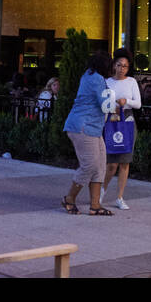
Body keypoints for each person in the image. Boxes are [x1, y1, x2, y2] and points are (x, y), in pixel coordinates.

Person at [61, 51, 114, 216]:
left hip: (92, 127)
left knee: (99, 166)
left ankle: (95, 205)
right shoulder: (97, 79)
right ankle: (69, 198)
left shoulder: (88, 76)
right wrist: (117, 103)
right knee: (90, 165)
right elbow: (105, 105)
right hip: (84, 127)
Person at [102, 53, 141, 210]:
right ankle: (101, 191)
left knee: (125, 161)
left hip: (128, 120)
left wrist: (127, 102)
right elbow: (103, 103)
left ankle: (119, 197)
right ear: (114, 65)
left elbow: (138, 103)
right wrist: (113, 107)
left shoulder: (131, 82)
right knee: (111, 163)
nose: (121, 69)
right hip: (111, 119)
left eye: (125, 66)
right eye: (119, 65)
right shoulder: (107, 82)